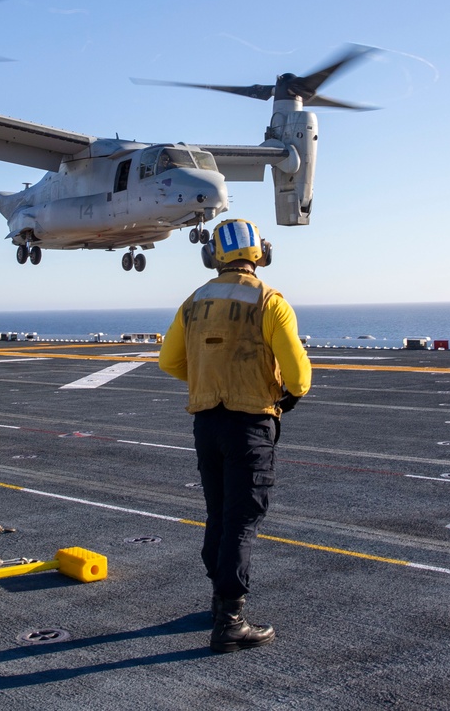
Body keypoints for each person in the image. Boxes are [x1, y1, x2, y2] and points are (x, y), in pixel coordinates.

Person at [158, 219, 311, 653]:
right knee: (242, 521)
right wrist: (290, 395)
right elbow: (298, 374)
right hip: (250, 424)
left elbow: (169, 361)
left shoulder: (194, 300)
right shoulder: (269, 301)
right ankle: (229, 621)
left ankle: (217, 601)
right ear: (260, 252)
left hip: (207, 422)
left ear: (213, 256)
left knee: (218, 513)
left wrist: (207, 380)